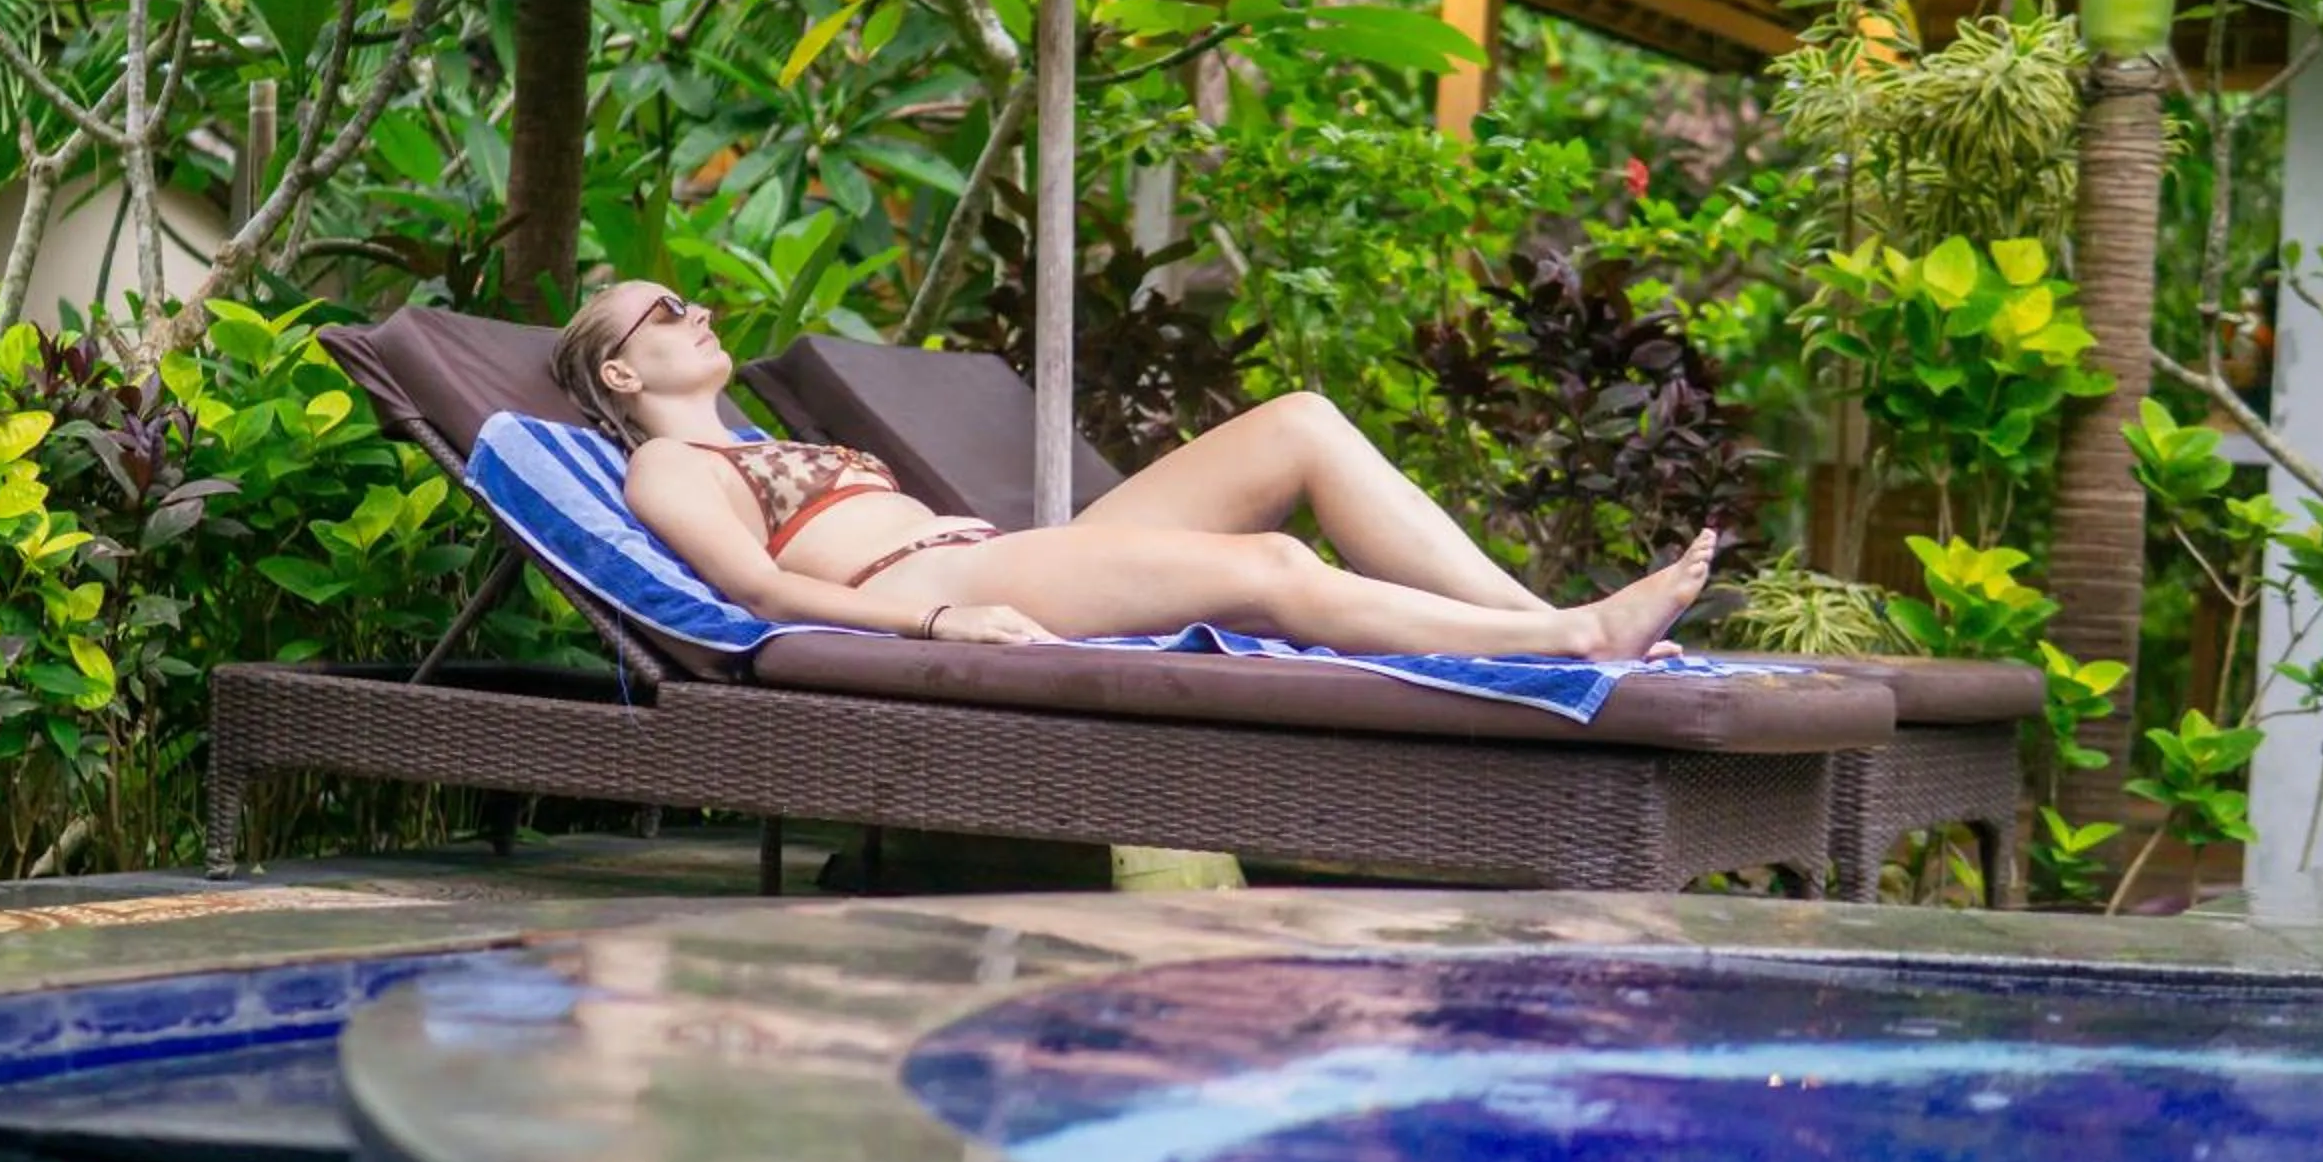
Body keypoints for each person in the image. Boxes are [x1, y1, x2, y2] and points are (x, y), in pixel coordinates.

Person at [547, 281, 1714, 661]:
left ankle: (1549, 616)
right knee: (1265, 563)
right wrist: (943, 622)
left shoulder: (750, 441)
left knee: (1299, 421)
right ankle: (1562, 646)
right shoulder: (671, 469)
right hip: (934, 584)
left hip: (984, 553)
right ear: (622, 373)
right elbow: (758, 594)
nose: (695, 309)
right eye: (662, 312)